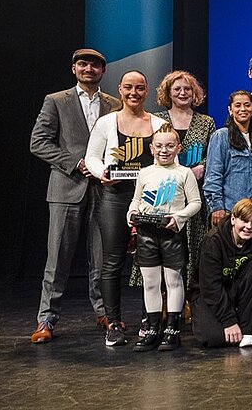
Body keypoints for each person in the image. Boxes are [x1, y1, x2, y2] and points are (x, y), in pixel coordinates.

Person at [29, 48, 120, 343]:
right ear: (74, 69)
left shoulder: (114, 104)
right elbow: (38, 143)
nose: (89, 69)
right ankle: (47, 319)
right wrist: (75, 163)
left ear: (103, 71)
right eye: (83, 64)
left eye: (95, 65)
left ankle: (104, 312)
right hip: (67, 187)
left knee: (103, 257)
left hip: (104, 189)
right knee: (58, 258)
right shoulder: (56, 101)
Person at [85, 70, 166, 347]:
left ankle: (150, 319)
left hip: (149, 198)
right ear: (120, 89)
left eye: (140, 88)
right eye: (129, 87)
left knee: (151, 261)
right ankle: (114, 323)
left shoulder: (158, 123)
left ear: (147, 90)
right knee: (112, 261)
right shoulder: (106, 122)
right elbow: (92, 158)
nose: (134, 93)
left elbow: (167, 155)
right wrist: (101, 173)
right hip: (115, 196)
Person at [128, 71, 215, 303]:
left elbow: (213, 155)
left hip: (193, 192)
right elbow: (152, 153)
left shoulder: (206, 122)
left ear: (194, 93)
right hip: (162, 195)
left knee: (191, 246)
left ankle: (187, 300)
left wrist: (202, 167)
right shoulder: (156, 120)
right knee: (160, 247)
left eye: (187, 89)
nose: (182, 93)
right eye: (177, 89)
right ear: (168, 93)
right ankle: (162, 302)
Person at [126, 123, 202, 351]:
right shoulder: (145, 173)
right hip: (147, 234)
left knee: (173, 281)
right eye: (159, 146)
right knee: (150, 283)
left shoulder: (184, 173)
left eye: (170, 146)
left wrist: (179, 217)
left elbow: (196, 203)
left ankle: (172, 329)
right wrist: (130, 213)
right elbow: (136, 200)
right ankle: (152, 329)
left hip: (171, 233)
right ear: (151, 148)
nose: (164, 150)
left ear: (178, 147)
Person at [192, 198, 252, 348]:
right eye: (244, 221)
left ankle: (246, 328)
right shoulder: (213, 241)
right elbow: (210, 286)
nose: (248, 227)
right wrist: (229, 321)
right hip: (212, 294)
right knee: (214, 338)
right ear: (233, 219)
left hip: (241, 293)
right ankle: (237, 321)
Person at [203, 91, 252, 227]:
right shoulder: (221, 136)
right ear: (230, 110)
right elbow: (213, 175)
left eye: (247, 105)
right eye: (237, 105)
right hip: (229, 211)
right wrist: (217, 207)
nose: (242, 109)